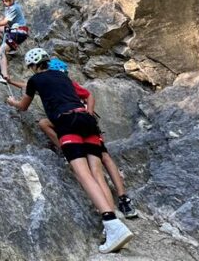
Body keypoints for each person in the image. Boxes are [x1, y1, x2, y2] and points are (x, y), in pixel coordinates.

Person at [5, 48, 134, 254]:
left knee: (82, 174)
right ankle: (113, 224)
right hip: (87, 120)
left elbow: (23, 106)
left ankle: (112, 225)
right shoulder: (63, 77)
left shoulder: (35, 80)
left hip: (67, 122)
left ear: (33, 66)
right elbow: (83, 95)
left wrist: (12, 101)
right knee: (96, 173)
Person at [37, 59, 138, 219]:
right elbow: (88, 96)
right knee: (102, 160)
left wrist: (89, 113)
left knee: (102, 160)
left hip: (80, 123)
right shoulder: (63, 82)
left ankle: (120, 201)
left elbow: (88, 96)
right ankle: (121, 201)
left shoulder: (65, 83)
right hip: (83, 124)